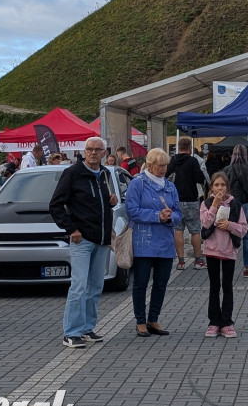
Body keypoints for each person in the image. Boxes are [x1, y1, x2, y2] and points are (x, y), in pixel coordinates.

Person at [49, 137, 118, 348]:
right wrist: (71, 229)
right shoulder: (72, 173)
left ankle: (87, 328)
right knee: (78, 286)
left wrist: (111, 200)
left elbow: (99, 201)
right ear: (83, 151)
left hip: (101, 239)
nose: (94, 153)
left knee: (96, 286)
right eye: (90, 149)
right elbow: (56, 205)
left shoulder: (105, 173)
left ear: (105, 152)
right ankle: (71, 332)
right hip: (82, 239)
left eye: (98, 150)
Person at [126, 148, 182, 337]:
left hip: (165, 241)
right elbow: (132, 211)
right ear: (150, 165)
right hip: (144, 241)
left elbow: (178, 213)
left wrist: (170, 217)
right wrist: (157, 215)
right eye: (160, 166)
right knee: (141, 283)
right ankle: (140, 320)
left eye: (166, 165)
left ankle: (153, 318)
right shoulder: (137, 183)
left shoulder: (170, 186)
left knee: (161, 283)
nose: (164, 169)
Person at [201, 172, 248, 338]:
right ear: (211, 187)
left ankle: (227, 322)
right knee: (214, 287)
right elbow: (206, 223)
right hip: (212, 250)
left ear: (227, 186)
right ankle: (214, 321)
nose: (220, 188)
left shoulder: (235, 205)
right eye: (216, 185)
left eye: (222, 185)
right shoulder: (206, 203)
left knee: (227, 286)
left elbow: (243, 228)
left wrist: (230, 225)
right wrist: (214, 205)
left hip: (229, 250)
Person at [166, 137, 207, 269]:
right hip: (191, 199)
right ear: (190, 148)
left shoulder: (173, 161)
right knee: (195, 231)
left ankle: (181, 262)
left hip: (176, 200)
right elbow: (200, 178)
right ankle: (197, 261)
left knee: (178, 230)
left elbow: (166, 175)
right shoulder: (193, 161)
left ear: (178, 147)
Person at [224, 145, 248, 277]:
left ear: (232, 155)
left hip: (230, 206)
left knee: (229, 236)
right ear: (246, 154)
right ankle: (247, 268)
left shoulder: (227, 170)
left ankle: (228, 266)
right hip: (246, 205)